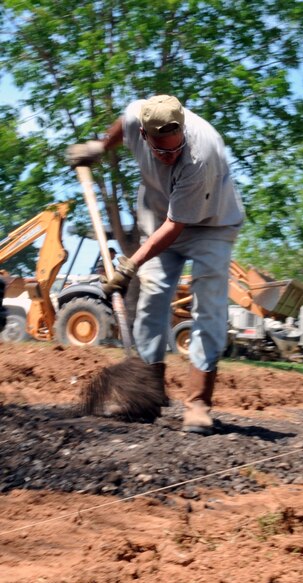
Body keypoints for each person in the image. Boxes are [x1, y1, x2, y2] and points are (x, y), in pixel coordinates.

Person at [67, 94, 244, 435]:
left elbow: (175, 227)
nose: (169, 156)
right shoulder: (137, 118)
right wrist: (101, 147)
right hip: (158, 215)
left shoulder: (200, 153)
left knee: (208, 306)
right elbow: (124, 122)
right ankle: (148, 394)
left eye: (174, 149)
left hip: (212, 225)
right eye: (161, 151)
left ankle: (197, 405)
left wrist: (129, 266)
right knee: (152, 300)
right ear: (145, 136)